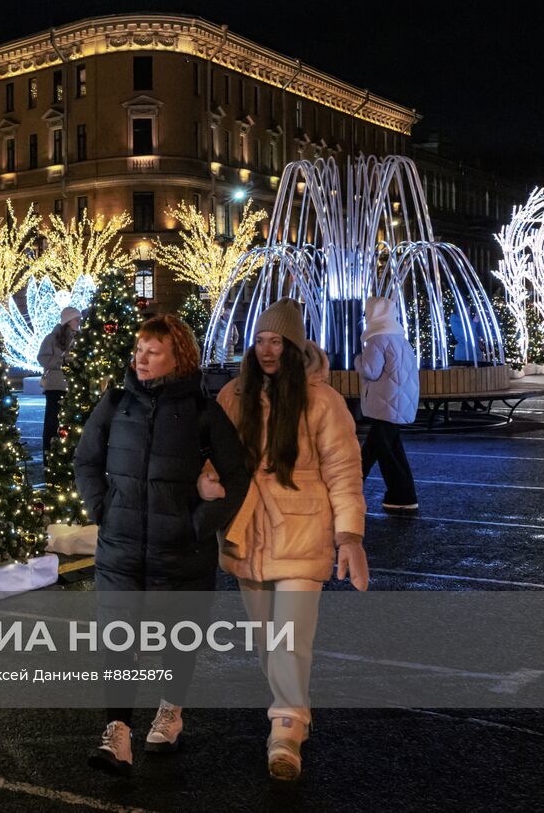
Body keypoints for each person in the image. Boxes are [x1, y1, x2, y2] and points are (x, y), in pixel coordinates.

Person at [74, 315, 251, 776]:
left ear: (180, 357)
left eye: (153, 351)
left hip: (182, 551)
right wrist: (102, 508)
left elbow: (236, 474)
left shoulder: (203, 412)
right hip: (121, 548)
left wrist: (199, 522)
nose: (141, 357)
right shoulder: (115, 404)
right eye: (139, 349)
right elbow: (86, 459)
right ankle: (117, 733)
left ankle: (170, 711)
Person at [213, 298, 369, 781]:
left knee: (290, 638)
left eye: (277, 340)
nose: (266, 349)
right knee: (265, 639)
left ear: (295, 346)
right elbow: (214, 456)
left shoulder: (323, 401)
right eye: (260, 339)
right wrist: (206, 481)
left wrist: (350, 537)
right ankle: (291, 707)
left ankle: (286, 728)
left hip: (302, 530)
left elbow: (344, 471)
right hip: (248, 533)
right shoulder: (233, 396)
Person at [356, 296, 419, 511]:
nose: (365, 316)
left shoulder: (377, 339)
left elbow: (370, 371)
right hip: (399, 402)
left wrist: (357, 360)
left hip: (386, 403)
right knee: (381, 449)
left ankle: (402, 496)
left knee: (382, 451)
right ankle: (400, 496)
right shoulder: (400, 337)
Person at [37, 306, 81, 449]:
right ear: (68, 321)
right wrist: (62, 361)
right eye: (76, 319)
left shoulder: (80, 338)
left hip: (73, 387)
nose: (79, 321)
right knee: (52, 423)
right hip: (55, 386)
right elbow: (42, 358)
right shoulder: (52, 338)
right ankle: (49, 454)